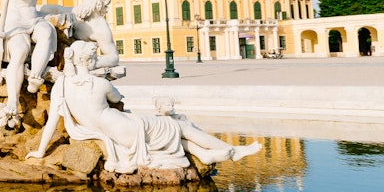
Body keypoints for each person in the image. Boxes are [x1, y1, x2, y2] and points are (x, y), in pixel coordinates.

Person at [28, 41, 261, 172]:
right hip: (125, 127)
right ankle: (232, 149)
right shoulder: (99, 83)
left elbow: (50, 125)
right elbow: (117, 97)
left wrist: (40, 151)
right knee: (178, 126)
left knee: (173, 134)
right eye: (95, 59)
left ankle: (204, 154)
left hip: (113, 131)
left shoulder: (62, 86)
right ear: (88, 61)